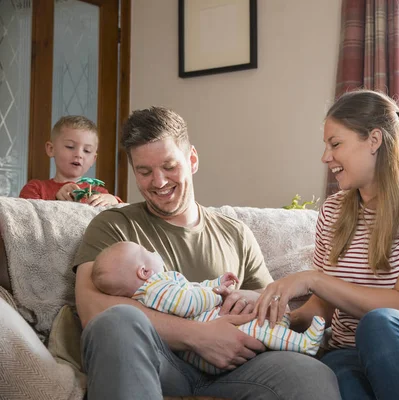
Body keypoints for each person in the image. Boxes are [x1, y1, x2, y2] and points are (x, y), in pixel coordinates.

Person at [73, 106, 341, 400]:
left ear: (192, 160)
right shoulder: (114, 225)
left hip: (239, 366)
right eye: (145, 171)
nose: (159, 182)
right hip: (161, 361)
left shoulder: (235, 232)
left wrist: (254, 299)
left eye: (169, 166)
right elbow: (93, 310)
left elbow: (279, 310)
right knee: (114, 323)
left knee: (312, 375)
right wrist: (197, 336)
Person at [254, 90, 399, 400]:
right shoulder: (333, 211)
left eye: (335, 144)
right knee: (331, 375)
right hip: (351, 352)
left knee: (380, 325)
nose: (326, 157)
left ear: (374, 140)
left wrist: (313, 279)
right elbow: (323, 307)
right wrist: (273, 314)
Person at [91, 241, 326, 375]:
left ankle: (287, 332)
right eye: (148, 253)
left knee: (269, 328)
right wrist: (216, 295)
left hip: (221, 341)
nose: (154, 252)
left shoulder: (158, 288)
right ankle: (304, 344)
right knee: (262, 331)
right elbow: (187, 302)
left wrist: (219, 285)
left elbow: (192, 289)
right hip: (203, 351)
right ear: (144, 272)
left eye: (169, 167)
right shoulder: (155, 288)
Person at [19, 115, 121, 206]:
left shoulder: (98, 193)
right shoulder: (35, 189)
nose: (79, 154)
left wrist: (114, 201)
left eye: (87, 150)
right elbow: (26, 219)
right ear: (51, 149)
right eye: (70, 146)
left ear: (93, 159)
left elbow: (121, 218)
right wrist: (56, 200)